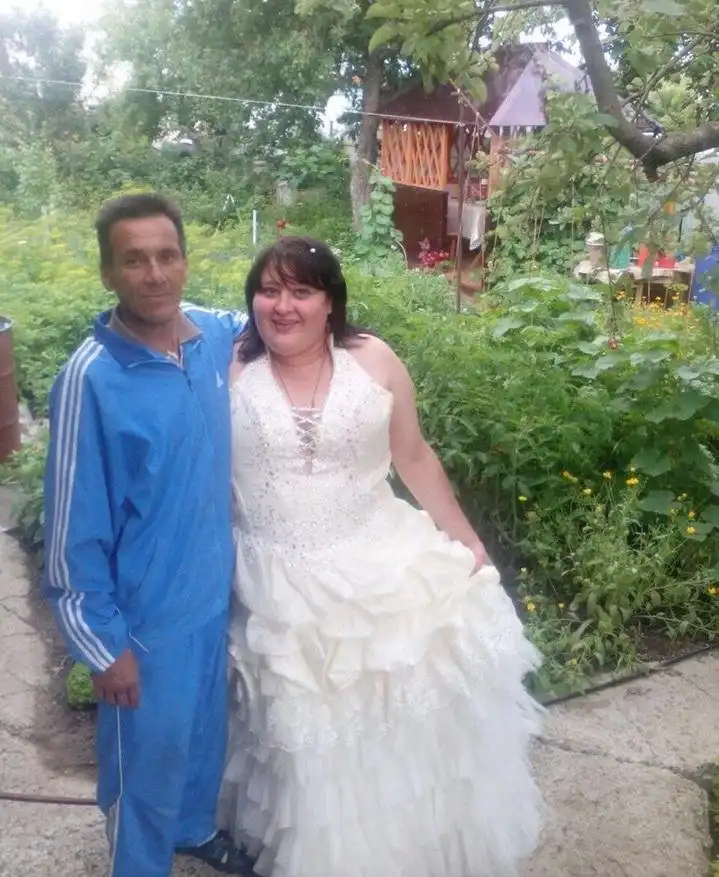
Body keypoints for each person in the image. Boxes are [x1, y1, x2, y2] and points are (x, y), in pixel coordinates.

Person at [219, 236, 544, 877]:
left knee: (394, 726)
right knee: (304, 745)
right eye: (269, 290)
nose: (283, 306)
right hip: (275, 586)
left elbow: (413, 456)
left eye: (301, 291)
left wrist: (465, 538)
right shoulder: (228, 366)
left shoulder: (374, 359)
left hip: (379, 565)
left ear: (330, 302)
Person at [42, 193, 255, 877]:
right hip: (142, 622)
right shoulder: (92, 377)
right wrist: (103, 648)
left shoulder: (211, 337)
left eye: (167, 256)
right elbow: (71, 529)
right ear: (108, 273)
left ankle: (193, 829)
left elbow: (279, 314)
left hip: (210, 600)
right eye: (134, 260)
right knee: (145, 762)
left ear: (186, 261)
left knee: (201, 736)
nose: (155, 274)